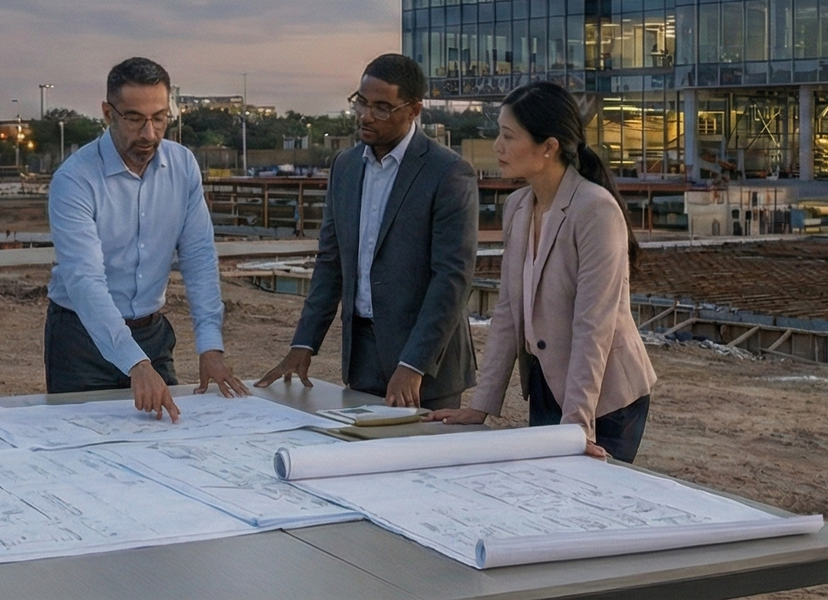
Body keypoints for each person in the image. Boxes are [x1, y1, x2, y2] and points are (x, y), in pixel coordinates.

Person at [429, 80, 655, 462]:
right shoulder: (517, 206)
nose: (497, 146)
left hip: (606, 396)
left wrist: (577, 426)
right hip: (547, 383)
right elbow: (507, 313)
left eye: (508, 136)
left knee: (588, 503)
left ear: (548, 147)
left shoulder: (595, 210)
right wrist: (479, 407)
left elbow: (593, 325)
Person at [257, 54, 477, 409]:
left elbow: (452, 278)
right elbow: (331, 261)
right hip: (361, 360)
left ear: (413, 110)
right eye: (361, 102)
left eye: (382, 108)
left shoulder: (448, 173)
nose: (366, 115)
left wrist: (413, 363)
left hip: (427, 371)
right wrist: (304, 344)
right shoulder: (344, 167)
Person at [46, 57, 250, 419]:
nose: (150, 134)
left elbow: (199, 256)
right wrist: (134, 363)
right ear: (108, 113)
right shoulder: (74, 180)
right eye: (135, 119)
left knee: (167, 442)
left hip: (152, 334)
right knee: (83, 451)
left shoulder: (183, 167)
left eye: (159, 118)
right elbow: (84, 279)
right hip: (81, 341)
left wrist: (210, 347)